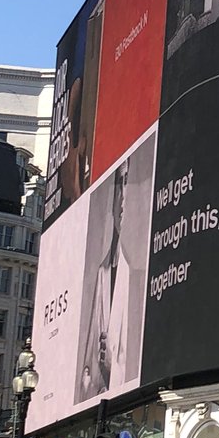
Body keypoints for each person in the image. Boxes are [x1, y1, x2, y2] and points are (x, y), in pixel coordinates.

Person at [76, 158, 132, 402]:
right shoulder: (103, 272)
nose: (123, 198)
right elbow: (86, 375)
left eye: (129, 181)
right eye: (120, 182)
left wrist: (112, 368)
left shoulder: (137, 276)